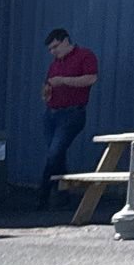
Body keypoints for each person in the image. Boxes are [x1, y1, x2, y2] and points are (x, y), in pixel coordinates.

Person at [38, 28, 98, 210]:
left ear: (66, 41)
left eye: (55, 47)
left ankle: (43, 193)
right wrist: (46, 93)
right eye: (50, 49)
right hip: (52, 113)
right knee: (57, 155)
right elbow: (47, 86)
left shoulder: (85, 56)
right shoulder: (54, 64)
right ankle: (62, 195)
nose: (53, 52)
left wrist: (64, 80)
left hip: (72, 114)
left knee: (55, 153)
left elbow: (91, 79)